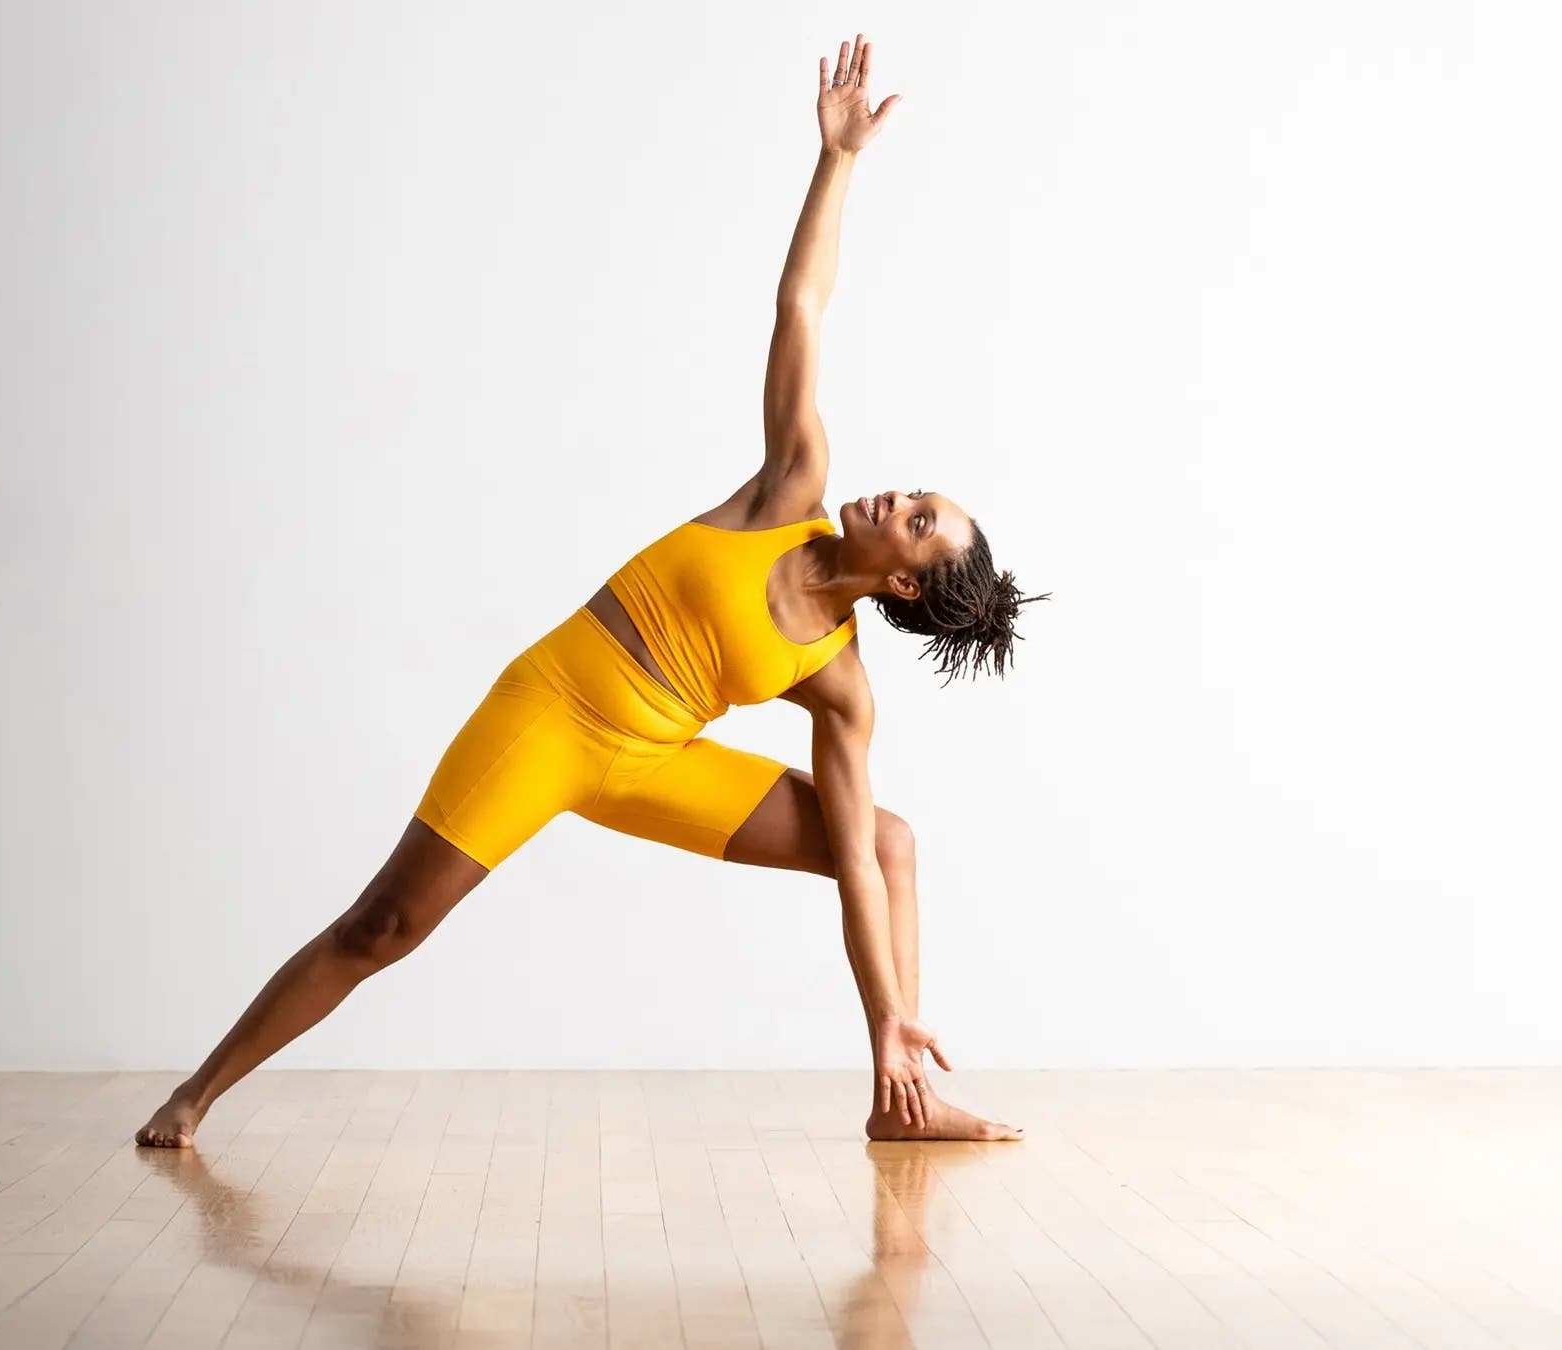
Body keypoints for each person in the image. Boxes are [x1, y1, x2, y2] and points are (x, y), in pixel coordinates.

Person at [138, 33, 1044, 1149]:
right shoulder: (790, 488)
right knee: (384, 926)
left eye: (916, 518)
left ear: (903, 581)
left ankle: (899, 1092)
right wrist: (838, 161)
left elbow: (854, 863)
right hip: (554, 713)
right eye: (916, 494)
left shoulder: (840, 685)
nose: (895, 496)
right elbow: (800, 311)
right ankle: (196, 1094)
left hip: (651, 762)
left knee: (887, 842)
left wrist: (891, 1015)